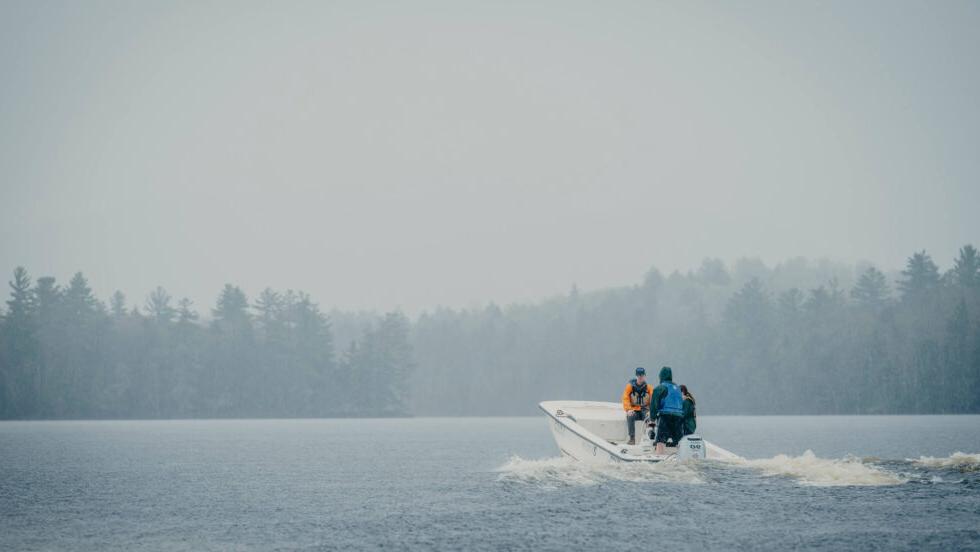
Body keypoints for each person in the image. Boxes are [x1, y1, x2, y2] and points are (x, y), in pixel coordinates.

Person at [651, 366, 685, 454]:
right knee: (679, 441)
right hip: (678, 417)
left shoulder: (660, 388)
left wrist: (652, 419)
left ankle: (659, 456)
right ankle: (682, 456)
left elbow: (654, 405)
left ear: (661, 376)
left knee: (660, 441)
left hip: (665, 417)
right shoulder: (678, 388)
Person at [621, 367, 652, 445]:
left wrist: (651, 411)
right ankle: (632, 438)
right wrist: (628, 409)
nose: (640, 377)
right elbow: (625, 398)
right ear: (636, 376)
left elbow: (653, 401)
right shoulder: (630, 387)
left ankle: (649, 438)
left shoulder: (649, 388)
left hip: (645, 410)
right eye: (639, 375)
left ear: (645, 376)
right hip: (634, 409)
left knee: (650, 419)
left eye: (642, 375)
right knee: (630, 416)